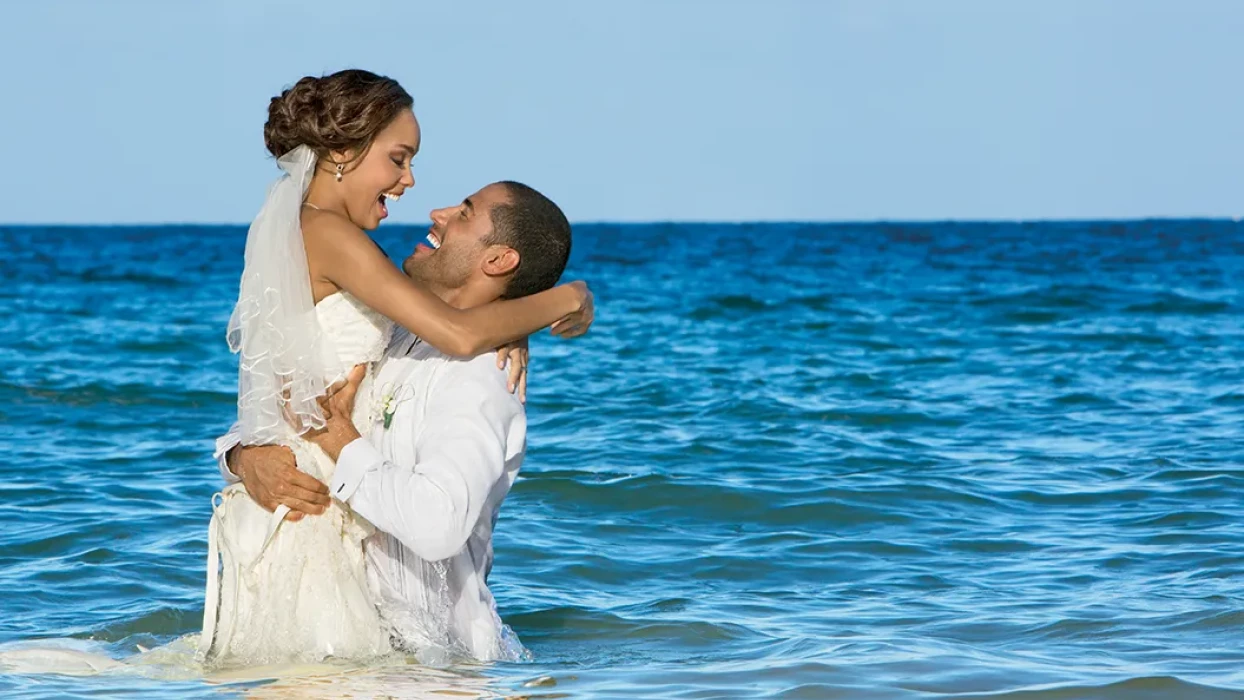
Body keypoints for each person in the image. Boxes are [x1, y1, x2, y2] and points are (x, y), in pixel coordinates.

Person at [200, 69, 594, 667]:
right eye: (399, 158)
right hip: (312, 525)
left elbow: (450, 337)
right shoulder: (332, 237)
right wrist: (564, 300)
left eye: (462, 211)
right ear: (341, 152)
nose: (413, 185)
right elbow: (457, 331)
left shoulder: (462, 364)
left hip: (383, 598)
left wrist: (512, 319)